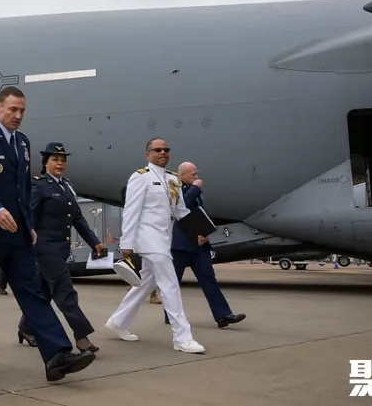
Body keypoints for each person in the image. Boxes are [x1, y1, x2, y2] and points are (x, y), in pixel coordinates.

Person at [0, 85, 96, 382]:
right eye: (13, 109)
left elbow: (23, 189)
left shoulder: (22, 142)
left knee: (32, 293)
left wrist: (29, 224)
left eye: (22, 111)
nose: (18, 115)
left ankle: (57, 355)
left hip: (17, 235)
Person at [105, 138, 205, 354]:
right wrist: (127, 243)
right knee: (170, 285)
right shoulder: (140, 177)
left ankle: (118, 321)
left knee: (144, 284)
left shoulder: (173, 178)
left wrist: (199, 231)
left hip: (164, 239)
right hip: (148, 238)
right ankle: (183, 338)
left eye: (166, 150)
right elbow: (131, 210)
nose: (162, 153)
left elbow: (181, 211)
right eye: (157, 150)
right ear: (148, 154)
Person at [17, 142, 106, 353]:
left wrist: (94, 242)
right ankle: (81, 336)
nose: (60, 163)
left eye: (63, 160)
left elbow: (78, 218)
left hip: (61, 249)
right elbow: (28, 215)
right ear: (45, 163)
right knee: (65, 292)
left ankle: (26, 328)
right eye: (55, 159)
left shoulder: (66, 186)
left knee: (43, 292)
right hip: (45, 249)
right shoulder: (39, 185)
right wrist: (27, 241)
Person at [162, 162, 246, 328]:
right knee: (173, 282)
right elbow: (182, 205)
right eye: (193, 174)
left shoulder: (195, 192)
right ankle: (170, 315)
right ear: (182, 175)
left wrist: (205, 233)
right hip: (180, 245)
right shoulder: (175, 189)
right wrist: (194, 188)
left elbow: (199, 213)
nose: (197, 176)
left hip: (199, 244)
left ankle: (223, 315)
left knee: (209, 279)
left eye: (196, 173)